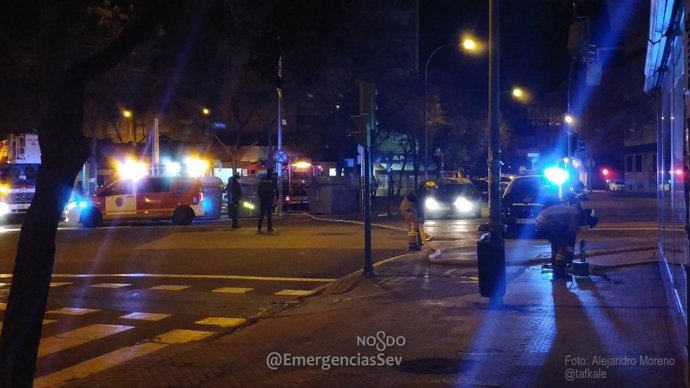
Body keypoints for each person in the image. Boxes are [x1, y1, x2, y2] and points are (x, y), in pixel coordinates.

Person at [536, 204, 599, 280]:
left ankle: (556, 268)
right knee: (562, 246)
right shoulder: (575, 218)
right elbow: (570, 239)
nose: (588, 228)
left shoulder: (576, 214)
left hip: (542, 220)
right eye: (588, 226)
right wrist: (569, 256)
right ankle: (558, 273)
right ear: (586, 220)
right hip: (547, 222)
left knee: (557, 244)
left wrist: (569, 254)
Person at [400, 180, 436, 250]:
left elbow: (420, 207)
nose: (433, 191)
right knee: (413, 225)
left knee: (416, 225)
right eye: (432, 189)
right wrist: (421, 218)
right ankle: (412, 244)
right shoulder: (422, 194)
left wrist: (421, 218)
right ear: (428, 188)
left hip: (410, 207)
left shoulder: (422, 192)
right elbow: (421, 207)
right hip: (407, 207)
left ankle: (417, 242)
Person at [257, 168, 278, 233]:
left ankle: (259, 228)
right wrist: (275, 197)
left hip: (263, 199)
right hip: (269, 199)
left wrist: (261, 196)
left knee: (261, 214)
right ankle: (269, 228)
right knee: (269, 214)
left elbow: (258, 189)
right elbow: (276, 189)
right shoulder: (273, 180)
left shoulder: (263, 179)